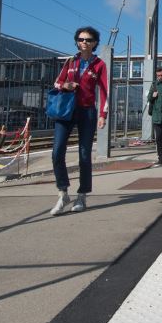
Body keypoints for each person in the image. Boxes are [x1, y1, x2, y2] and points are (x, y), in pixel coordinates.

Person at [49, 26, 109, 215]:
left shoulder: (99, 65)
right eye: (81, 39)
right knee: (57, 151)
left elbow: (105, 91)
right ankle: (63, 192)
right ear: (76, 41)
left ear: (95, 43)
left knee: (84, 154)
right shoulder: (70, 61)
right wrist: (65, 84)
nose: (85, 42)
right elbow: (57, 83)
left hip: (86, 112)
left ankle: (82, 195)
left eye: (89, 40)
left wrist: (102, 115)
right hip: (66, 110)